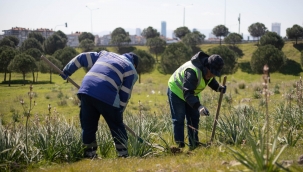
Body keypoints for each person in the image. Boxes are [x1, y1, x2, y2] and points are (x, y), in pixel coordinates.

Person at [60, 50, 139, 158]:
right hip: (107, 95)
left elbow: (83, 57)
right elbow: (125, 93)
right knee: (117, 126)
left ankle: (89, 154)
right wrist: (119, 112)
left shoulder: (106, 54)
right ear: (135, 64)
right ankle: (123, 155)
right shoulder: (131, 69)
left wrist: (67, 71)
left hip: (86, 90)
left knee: (88, 127)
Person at [167, 51, 226, 149]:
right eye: (211, 73)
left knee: (194, 118)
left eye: (214, 74)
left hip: (190, 93)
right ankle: (179, 147)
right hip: (176, 90)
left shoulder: (208, 72)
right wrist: (199, 106)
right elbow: (187, 93)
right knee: (179, 119)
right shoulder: (192, 71)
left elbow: (210, 80)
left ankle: (194, 144)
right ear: (207, 67)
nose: (212, 75)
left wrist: (218, 88)